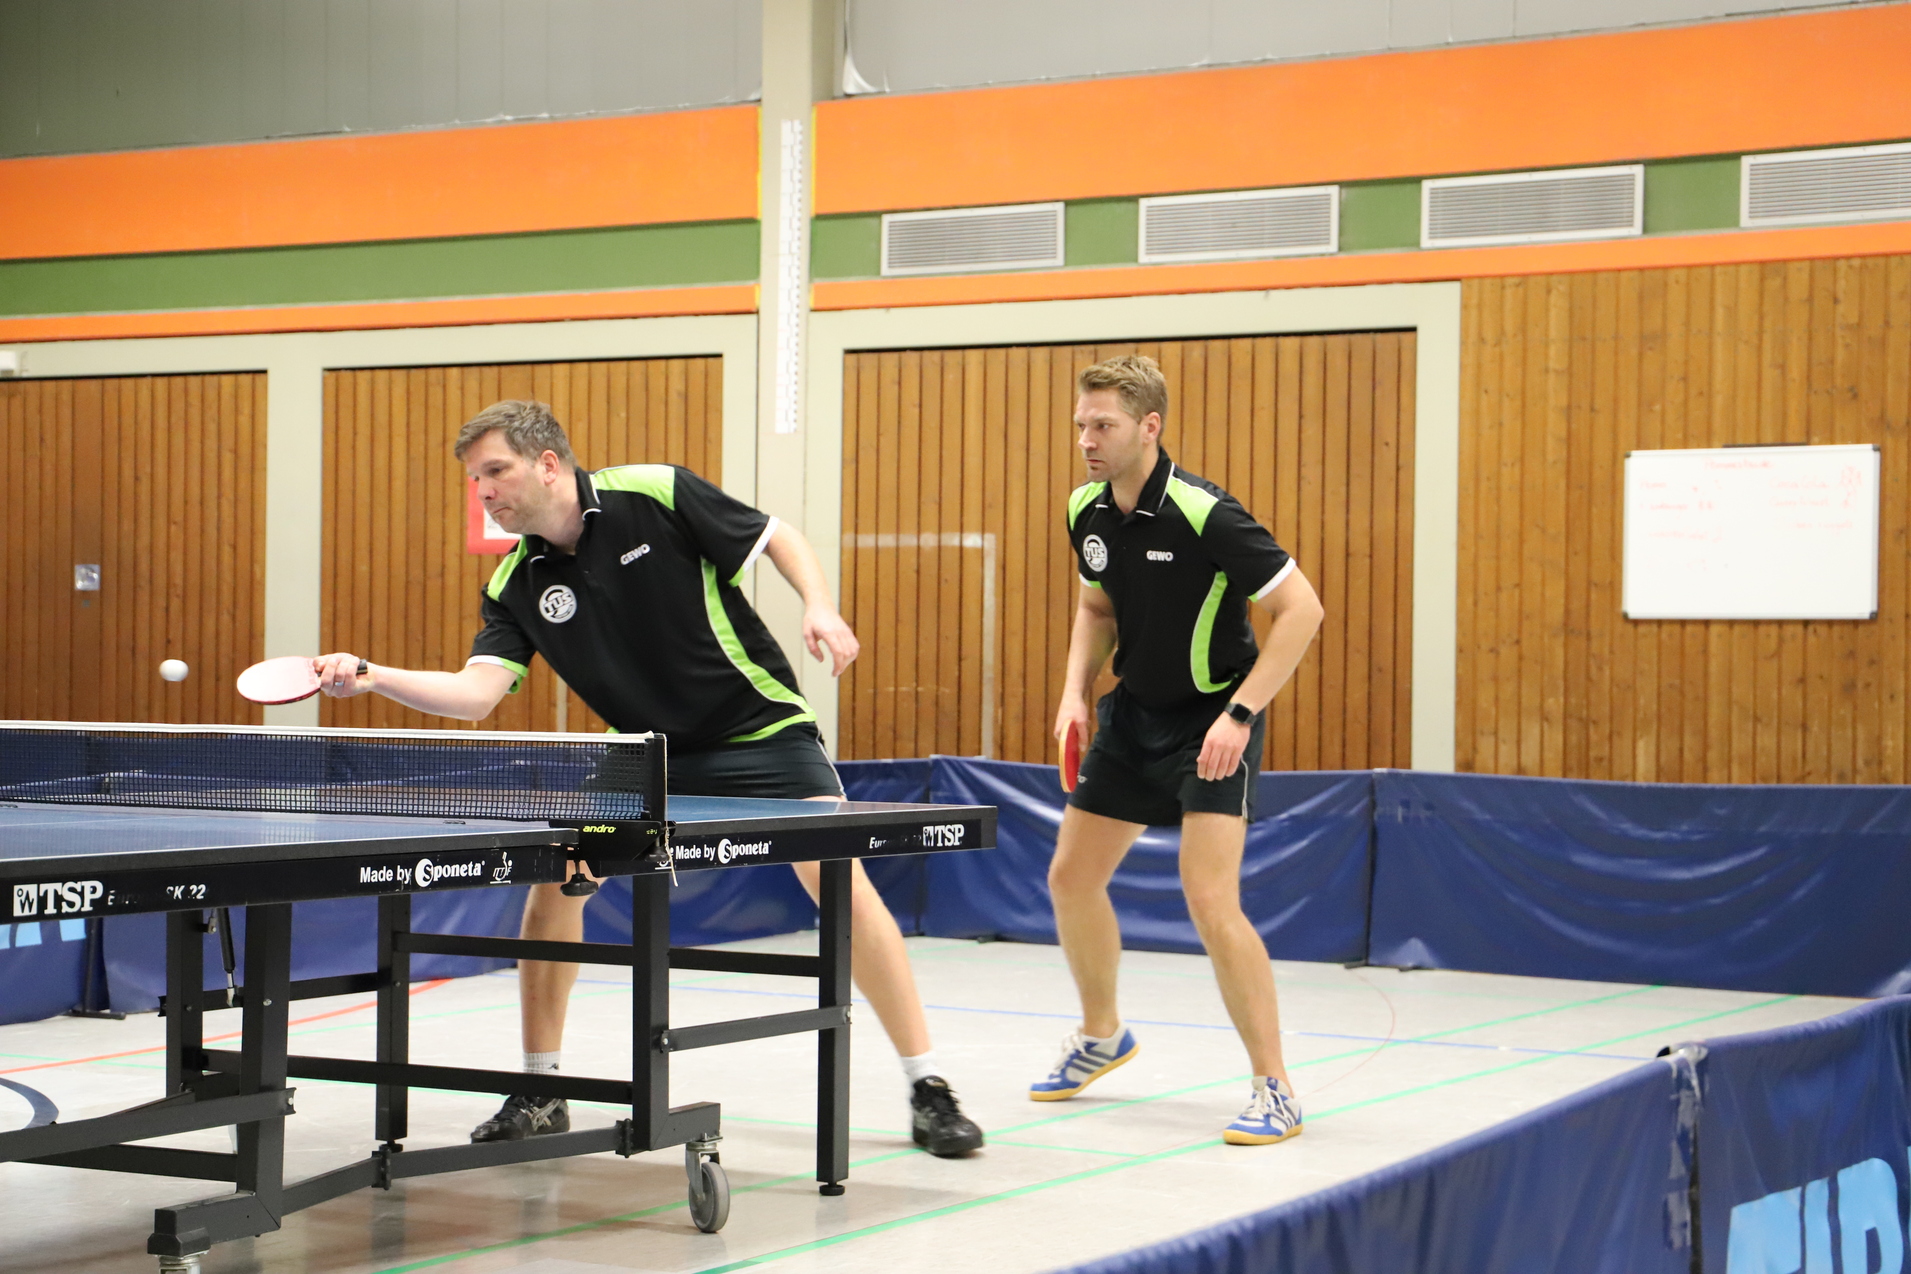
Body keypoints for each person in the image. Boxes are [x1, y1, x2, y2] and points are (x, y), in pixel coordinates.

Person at [314, 399, 983, 1158]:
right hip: (646, 752)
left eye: (494, 472)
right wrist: (371, 677)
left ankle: (927, 1085)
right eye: (474, 480)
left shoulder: (654, 493)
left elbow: (776, 536)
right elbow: (476, 695)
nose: (485, 493)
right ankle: (542, 1086)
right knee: (557, 879)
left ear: (546, 464)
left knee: (835, 878)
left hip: (756, 728)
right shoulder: (515, 583)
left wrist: (819, 609)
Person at [1036, 356, 1324, 1145]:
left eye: (1104, 426)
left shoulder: (1205, 513)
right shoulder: (1086, 509)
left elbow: (1301, 610)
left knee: (1209, 899)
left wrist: (1239, 714)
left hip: (1212, 717)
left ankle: (1275, 1088)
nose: (1087, 440)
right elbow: (1096, 606)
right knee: (1070, 877)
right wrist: (1074, 691)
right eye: (1081, 425)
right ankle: (1102, 1034)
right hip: (1132, 715)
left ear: (1149, 427)